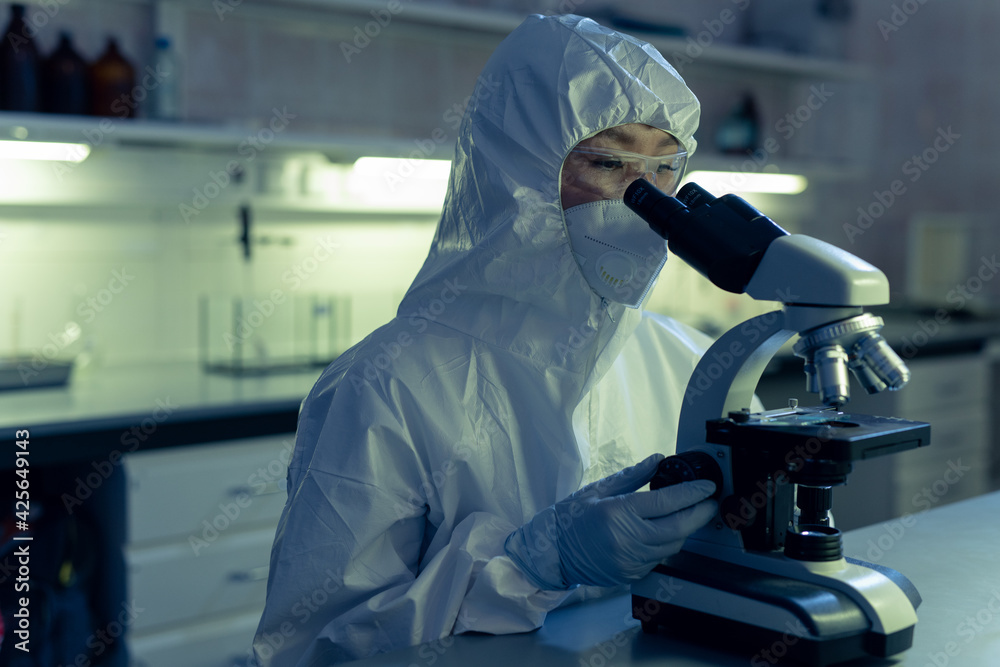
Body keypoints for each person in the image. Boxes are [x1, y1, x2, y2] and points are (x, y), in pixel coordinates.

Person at [253, 13, 725, 666]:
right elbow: (317, 647)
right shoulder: (383, 387)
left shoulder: (686, 361)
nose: (642, 200)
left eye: (664, 167)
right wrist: (531, 566)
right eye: (609, 162)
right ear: (520, 170)